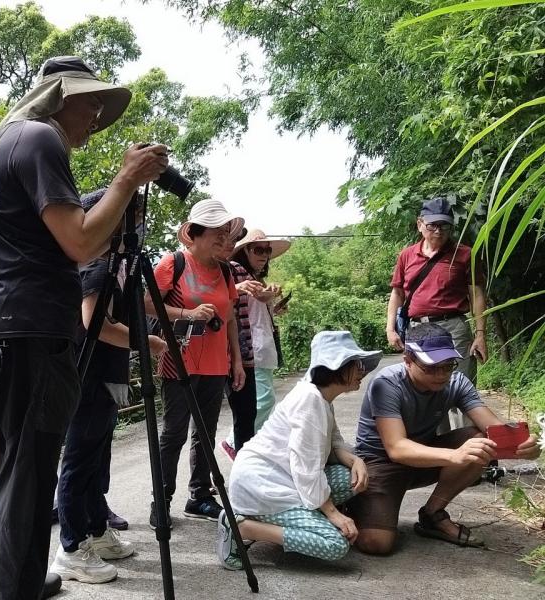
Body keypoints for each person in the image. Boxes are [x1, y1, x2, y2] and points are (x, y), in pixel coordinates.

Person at [0, 56, 168, 600]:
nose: (97, 115)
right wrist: (125, 179)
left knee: (17, 464)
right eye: (92, 102)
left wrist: (120, 208)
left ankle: (19, 578)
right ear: (61, 95)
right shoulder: (39, 139)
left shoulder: (7, 142)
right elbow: (80, 243)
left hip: (3, 324)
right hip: (32, 328)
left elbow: (78, 244)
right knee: (30, 471)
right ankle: (12, 590)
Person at [51, 189, 167, 584]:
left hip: (101, 378)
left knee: (96, 460)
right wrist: (146, 341)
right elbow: (94, 323)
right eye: (129, 217)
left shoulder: (109, 266)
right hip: (88, 378)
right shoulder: (95, 267)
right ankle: (70, 548)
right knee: (80, 462)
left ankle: (96, 532)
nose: (137, 225)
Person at [349, 323, 541, 555]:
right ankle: (352, 505)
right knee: (376, 544)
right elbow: (396, 448)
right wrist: (454, 455)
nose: (441, 375)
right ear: (408, 360)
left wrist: (525, 445)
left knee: (480, 441)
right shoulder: (387, 384)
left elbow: (495, 430)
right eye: (431, 368)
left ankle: (433, 514)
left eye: (448, 366)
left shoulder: (456, 381)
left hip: (424, 455)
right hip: (380, 463)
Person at [218, 331, 380, 569]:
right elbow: (307, 467)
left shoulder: (320, 396)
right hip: (264, 488)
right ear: (336, 367)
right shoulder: (310, 400)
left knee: (352, 477)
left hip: (284, 477)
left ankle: (303, 518)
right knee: (334, 544)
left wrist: (357, 461)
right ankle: (241, 526)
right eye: (356, 364)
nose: (362, 371)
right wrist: (334, 514)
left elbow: (334, 444)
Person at [144, 199, 245, 528]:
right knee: (173, 434)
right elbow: (147, 304)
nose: (223, 236)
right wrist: (186, 314)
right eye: (217, 230)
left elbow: (229, 317)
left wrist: (237, 361)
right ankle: (161, 500)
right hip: (179, 360)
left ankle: (200, 495)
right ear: (196, 233)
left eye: (225, 231)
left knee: (205, 433)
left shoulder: (226, 270)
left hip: (216, 364)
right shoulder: (173, 263)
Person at [386, 197, 487, 429]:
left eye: (444, 225)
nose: (439, 231)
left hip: (454, 328)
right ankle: (436, 451)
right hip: (418, 330)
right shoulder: (407, 256)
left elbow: (477, 295)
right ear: (420, 224)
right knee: (425, 390)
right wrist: (390, 328)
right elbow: (397, 294)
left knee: (462, 388)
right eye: (432, 225)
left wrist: (480, 334)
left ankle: (468, 451)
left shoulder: (465, 254)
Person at [219, 229, 291, 461]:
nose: (265, 254)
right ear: (245, 251)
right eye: (258, 249)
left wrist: (274, 308)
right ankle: (233, 441)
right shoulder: (236, 272)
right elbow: (227, 301)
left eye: (267, 250)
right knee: (263, 400)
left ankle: (249, 447)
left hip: (263, 347)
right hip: (252, 349)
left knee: (263, 401)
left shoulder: (255, 280)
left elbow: (256, 310)